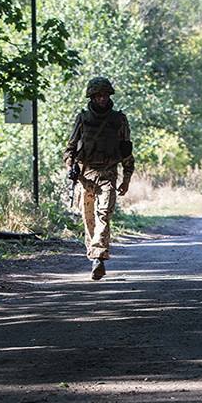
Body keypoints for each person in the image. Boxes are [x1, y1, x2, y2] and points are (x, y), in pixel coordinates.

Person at [63, 77, 135, 280]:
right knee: (89, 220)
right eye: (98, 96)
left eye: (105, 95)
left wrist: (127, 178)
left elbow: (126, 150)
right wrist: (70, 166)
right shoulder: (83, 119)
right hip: (86, 176)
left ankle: (98, 257)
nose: (102, 99)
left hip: (108, 174)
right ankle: (94, 254)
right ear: (92, 97)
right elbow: (70, 148)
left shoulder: (118, 120)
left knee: (103, 214)